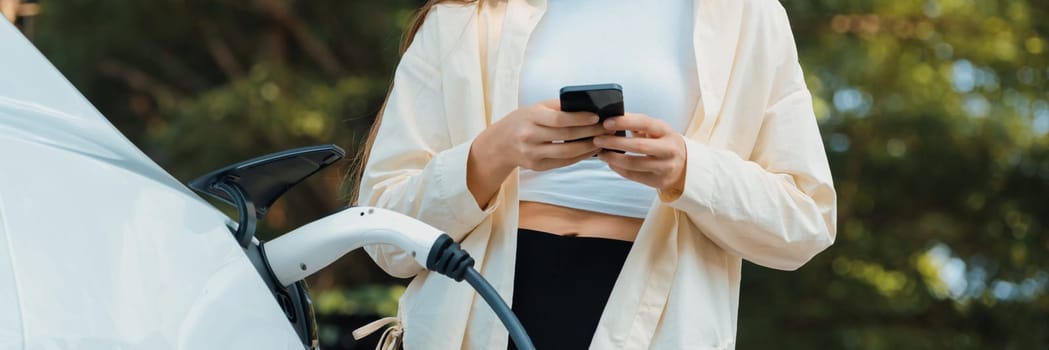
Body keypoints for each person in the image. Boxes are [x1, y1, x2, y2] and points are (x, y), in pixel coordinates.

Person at [354, 0, 837, 348]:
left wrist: (689, 170)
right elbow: (384, 236)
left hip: (657, 317)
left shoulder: (748, 17)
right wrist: (490, 154)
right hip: (478, 302)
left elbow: (805, 220)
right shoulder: (463, 15)